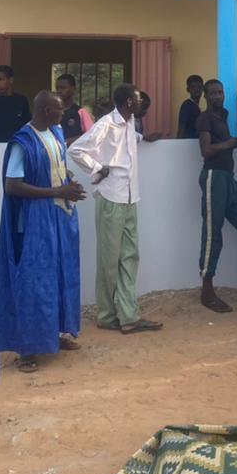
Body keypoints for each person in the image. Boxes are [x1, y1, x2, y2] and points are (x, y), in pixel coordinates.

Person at [0, 91, 87, 373]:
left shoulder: (55, 134)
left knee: (59, 276)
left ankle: (55, 335)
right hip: (35, 222)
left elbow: (55, 168)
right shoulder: (23, 143)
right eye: (59, 111)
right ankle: (27, 349)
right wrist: (58, 191)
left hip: (60, 217)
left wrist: (67, 182)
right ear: (46, 111)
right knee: (35, 281)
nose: (64, 115)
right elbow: (12, 186)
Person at [68, 84, 162, 334]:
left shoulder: (129, 123)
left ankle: (129, 315)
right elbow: (76, 150)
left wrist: (144, 138)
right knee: (109, 259)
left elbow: (127, 143)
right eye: (139, 99)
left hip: (130, 198)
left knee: (130, 257)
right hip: (111, 197)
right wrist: (97, 169)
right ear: (129, 102)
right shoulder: (106, 124)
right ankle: (107, 314)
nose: (143, 102)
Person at [196, 79, 237, 313]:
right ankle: (207, 289)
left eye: (220, 92)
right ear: (205, 96)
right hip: (214, 178)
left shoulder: (224, 116)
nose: (217, 96)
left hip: (228, 179)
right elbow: (206, 150)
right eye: (212, 93)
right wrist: (230, 144)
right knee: (213, 233)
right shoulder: (205, 118)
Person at [55, 74, 94, 145]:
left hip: (74, 154)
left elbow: (91, 136)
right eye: (57, 88)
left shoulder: (81, 112)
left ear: (73, 89)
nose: (59, 91)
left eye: (63, 88)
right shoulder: (52, 113)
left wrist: (66, 142)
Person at [177, 74, 204, 140]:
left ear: (203, 88)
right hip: (187, 143)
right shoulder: (187, 105)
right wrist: (178, 144)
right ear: (188, 89)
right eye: (193, 87)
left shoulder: (196, 106)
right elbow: (182, 127)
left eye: (199, 87)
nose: (196, 90)